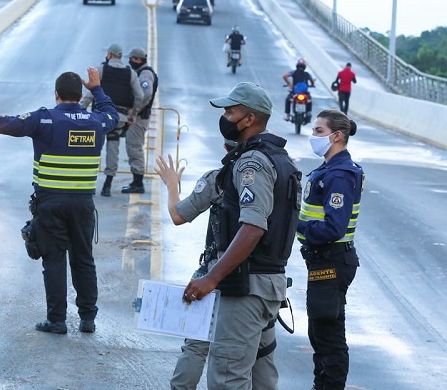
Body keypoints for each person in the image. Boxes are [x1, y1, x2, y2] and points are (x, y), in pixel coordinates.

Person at [0, 67, 119, 334]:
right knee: (83, 259)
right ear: (80, 94)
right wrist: (97, 88)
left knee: (54, 260)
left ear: (56, 95)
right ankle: (87, 319)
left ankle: (57, 320)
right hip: (83, 204)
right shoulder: (97, 122)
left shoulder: (44, 120)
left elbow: (3, 123)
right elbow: (112, 115)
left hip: (50, 204)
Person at [181, 82, 301, 390]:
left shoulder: (251, 163)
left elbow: (253, 227)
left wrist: (211, 278)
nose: (225, 117)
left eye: (230, 112)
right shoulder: (278, 158)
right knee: (261, 379)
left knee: (227, 377)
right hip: (266, 283)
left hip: (246, 286)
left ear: (248, 119)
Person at [155, 142, 281, 390]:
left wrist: (171, 184)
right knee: (263, 350)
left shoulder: (218, 179)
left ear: (225, 145)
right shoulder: (275, 178)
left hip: (215, 275)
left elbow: (178, 215)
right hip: (262, 282)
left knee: (197, 343)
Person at [297, 110, 364, 390]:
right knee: (320, 329)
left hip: (332, 260)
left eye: (319, 131)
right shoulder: (329, 170)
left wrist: (298, 227)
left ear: (337, 136)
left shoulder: (339, 174)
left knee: (328, 334)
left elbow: (334, 228)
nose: (314, 136)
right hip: (325, 260)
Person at [80, 43, 145, 197]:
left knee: (93, 148)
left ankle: (87, 183)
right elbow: (140, 96)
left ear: (109, 55)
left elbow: (91, 92)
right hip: (118, 117)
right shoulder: (131, 74)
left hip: (99, 116)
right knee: (113, 148)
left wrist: (81, 108)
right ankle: (107, 185)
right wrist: (133, 113)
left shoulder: (101, 69)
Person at [121, 47, 158, 194]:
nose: (130, 62)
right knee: (132, 147)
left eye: (131, 59)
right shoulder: (141, 72)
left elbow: (145, 94)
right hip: (139, 116)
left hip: (139, 118)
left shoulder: (145, 74)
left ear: (137, 59)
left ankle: (138, 183)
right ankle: (136, 181)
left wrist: (135, 112)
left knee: (134, 148)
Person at [283, 57, 316, 122]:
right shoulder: (307, 74)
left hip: (295, 92)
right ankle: (308, 112)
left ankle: (287, 115)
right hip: (304, 93)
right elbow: (312, 81)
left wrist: (289, 83)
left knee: (288, 99)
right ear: (304, 66)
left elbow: (285, 76)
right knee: (309, 100)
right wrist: (312, 85)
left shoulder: (294, 72)